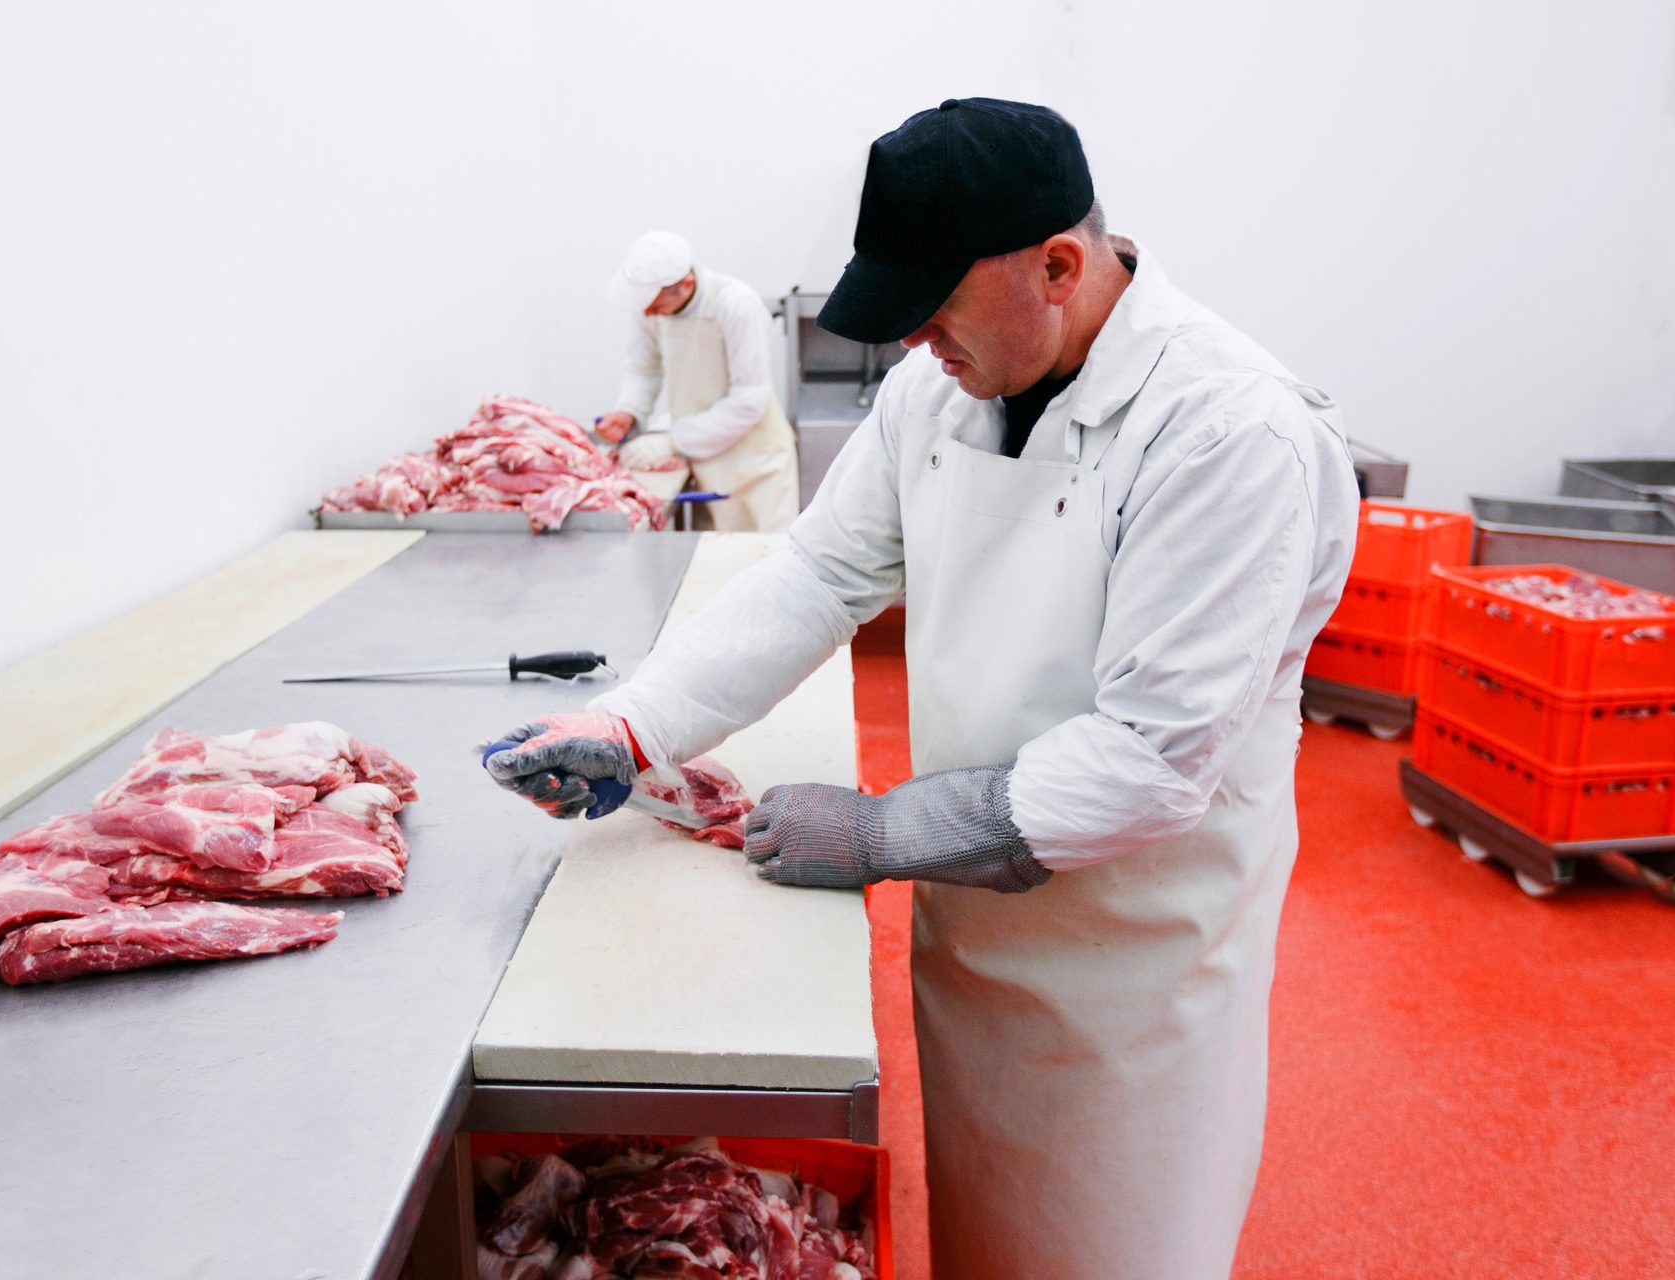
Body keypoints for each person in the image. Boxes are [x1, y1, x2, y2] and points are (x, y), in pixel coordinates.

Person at [486, 99, 1358, 1279]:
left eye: (935, 311)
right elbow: (817, 574)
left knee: (1109, 1246)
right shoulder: (938, 390)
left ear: (1059, 265)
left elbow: (1152, 762)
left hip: (1134, 976)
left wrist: (886, 827)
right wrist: (632, 721)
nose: (914, 347)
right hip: (976, 928)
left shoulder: (1227, 431)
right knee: (986, 1233)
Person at [594, 230, 800, 532]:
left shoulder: (736, 304)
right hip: (705, 459)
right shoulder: (650, 309)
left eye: (655, 305)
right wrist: (628, 412)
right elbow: (643, 369)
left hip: (757, 467)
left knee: (761, 558)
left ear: (686, 285)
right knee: (714, 567)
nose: (649, 313)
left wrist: (673, 440)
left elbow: (749, 400)